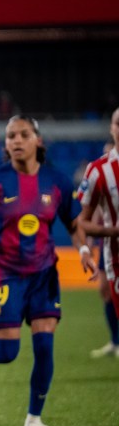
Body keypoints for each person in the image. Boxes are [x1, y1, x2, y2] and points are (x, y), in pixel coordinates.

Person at [0, 114, 95, 426]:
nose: (16, 141)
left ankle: (33, 419)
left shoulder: (57, 181)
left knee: (45, 346)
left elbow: (75, 225)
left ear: (38, 140)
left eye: (23, 135)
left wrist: (85, 251)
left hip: (44, 273)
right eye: (10, 136)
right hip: (4, 273)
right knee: (8, 352)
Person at [76, 112, 119, 344]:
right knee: (104, 290)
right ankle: (115, 341)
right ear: (111, 129)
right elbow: (83, 220)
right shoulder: (99, 171)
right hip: (114, 253)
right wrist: (109, 234)